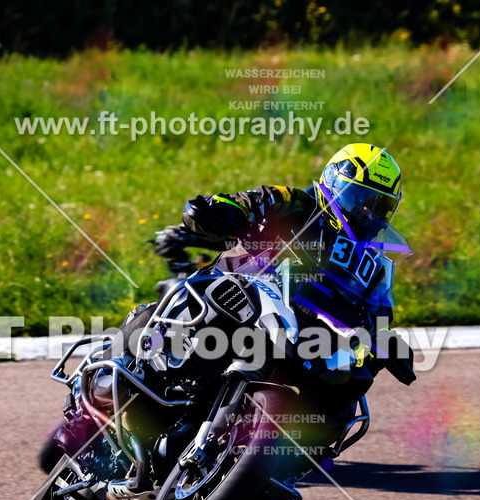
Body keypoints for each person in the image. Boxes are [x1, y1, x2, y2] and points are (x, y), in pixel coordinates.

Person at [153, 143, 416, 470]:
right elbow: (249, 202)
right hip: (240, 294)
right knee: (168, 317)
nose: (368, 212)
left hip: (298, 335)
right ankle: (131, 363)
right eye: (362, 199)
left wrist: (388, 343)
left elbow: (379, 317)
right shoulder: (295, 203)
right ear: (335, 184)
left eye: (380, 205)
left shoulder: (373, 265)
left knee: (350, 386)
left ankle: (282, 458)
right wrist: (226, 209)